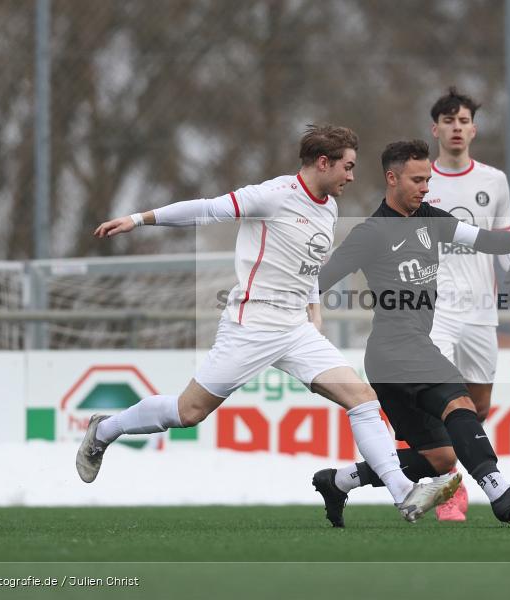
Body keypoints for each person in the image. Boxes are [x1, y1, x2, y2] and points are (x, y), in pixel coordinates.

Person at [80, 125, 462, 524]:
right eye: (347, 167)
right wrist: (139, 219)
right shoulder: (272, 196)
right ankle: (105, 429)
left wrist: (314, 314)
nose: (351, 176)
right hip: (252, 323)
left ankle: (404, 494)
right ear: (323, 162)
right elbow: (206, 209)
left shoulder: (328, 206)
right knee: (188, 412)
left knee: (363, 400)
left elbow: (307, 268)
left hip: (295, 329)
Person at [312, 139, 510, 528]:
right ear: (391, 179)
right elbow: (322, 279)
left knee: (440, 459)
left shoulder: (431, 219)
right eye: (417, 180)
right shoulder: (371, 233)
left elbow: (482, 239)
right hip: (397, 349)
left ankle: (338, 481)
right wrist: (291, 307)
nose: (426, 187)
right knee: (459, 404)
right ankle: (499, 492)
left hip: (397, 357)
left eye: (428, 179)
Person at [422, 88, 510, 521]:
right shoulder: (419, 179)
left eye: (463, 120)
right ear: (436, 129)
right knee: (443, 397)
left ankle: (455, 474)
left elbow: (503, 233)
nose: (456, 128)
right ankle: (451, 490)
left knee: (478, 406)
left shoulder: (493, 181)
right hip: (436, 309)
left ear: (474, 128)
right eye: (449, 121)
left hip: (482, 310)